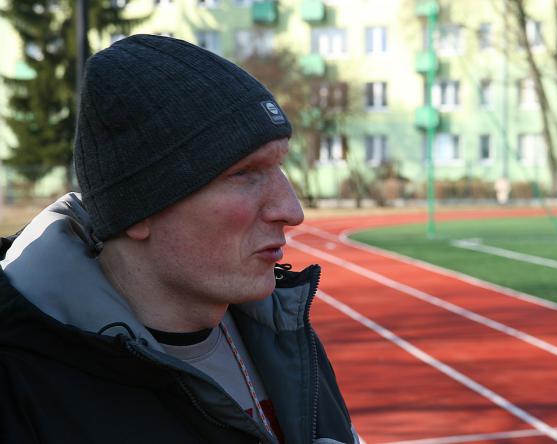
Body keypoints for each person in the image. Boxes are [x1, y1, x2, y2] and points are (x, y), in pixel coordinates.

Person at [0, 34, 357, 444]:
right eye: (244, 173)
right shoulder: (19, 384)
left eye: (279, 166)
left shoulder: (285, 339)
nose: (292, 210)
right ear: (139, 209)